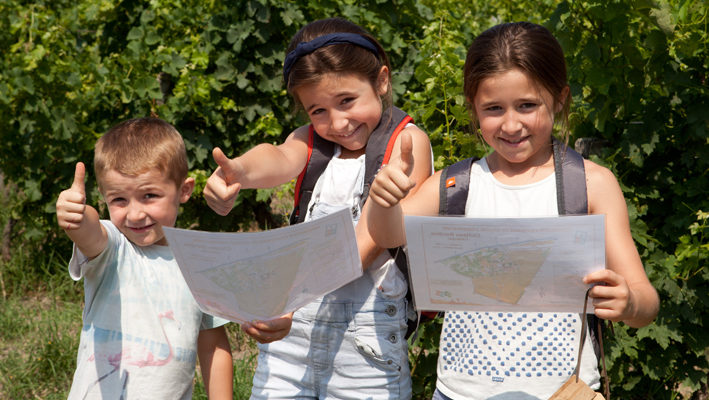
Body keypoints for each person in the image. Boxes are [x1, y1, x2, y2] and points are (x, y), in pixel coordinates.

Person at [366, 22, 660, 399]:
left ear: (560, 99)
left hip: (561, 392)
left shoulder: (591, 184)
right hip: (459, 392)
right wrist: (383, 199)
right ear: (473, 107)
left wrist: (629, 302)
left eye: (527, 106)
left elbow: (646, 303)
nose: (511, 124)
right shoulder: (456, 184)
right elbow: (387, 234)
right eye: (493, 108)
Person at [203, 17, 432, 400]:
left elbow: (370, 239)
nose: (338, 123)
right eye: (317, 111)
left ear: (382, 80)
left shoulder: (406, 143)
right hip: (291, 339)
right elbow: (276, 157)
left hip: (366, 346)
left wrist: (294, 292)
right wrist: (239, 171)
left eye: (347, 101)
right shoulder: (311, 143)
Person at [56, 117, 238, 399]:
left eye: (149, 195)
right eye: (119, 200)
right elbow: (90, 231)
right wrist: (76, 216)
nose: (135, 214)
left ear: (184, 190)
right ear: (104, 198)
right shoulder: (113, 249)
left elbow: (213, 345)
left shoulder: (200, 265)